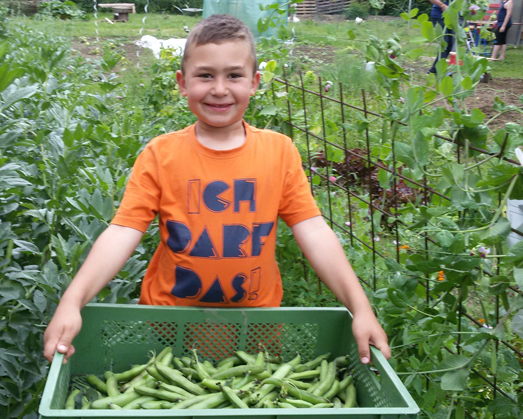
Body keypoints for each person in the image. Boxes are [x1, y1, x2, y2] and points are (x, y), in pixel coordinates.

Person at [42, 14, 390, 366]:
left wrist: (359, 308)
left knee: (246, 407)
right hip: (170, 329)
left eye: (234, 75)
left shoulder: (279, 151)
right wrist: (73, 301)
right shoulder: (161, 154)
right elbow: (122, 231)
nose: (220, 89)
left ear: (254, 82)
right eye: (205, 75)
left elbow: (313, 230)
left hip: (254, 328)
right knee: (172, 402)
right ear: (182, 82)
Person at [428, 0, 455, 74]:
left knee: (450, 45)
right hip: (440, 15)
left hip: (451, 17)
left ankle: (435, 70)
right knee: (444, 44)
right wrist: (442, 5)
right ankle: (436, 70)